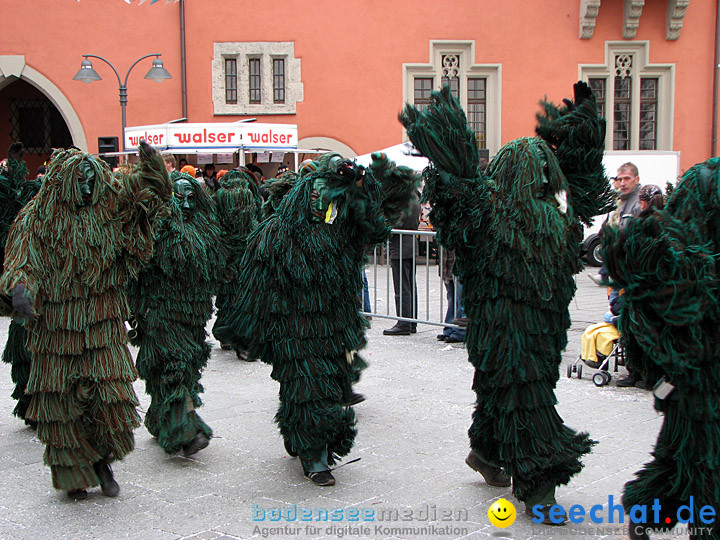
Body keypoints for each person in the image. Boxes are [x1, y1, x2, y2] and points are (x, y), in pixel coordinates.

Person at [401, 81, 612, 524]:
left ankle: (485, 451)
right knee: (526, 396)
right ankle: (539, 483)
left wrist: (581, 132)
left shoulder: (549, 211)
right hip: (509, 333)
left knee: (502, 391)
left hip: (528, 330)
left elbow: (582, 183)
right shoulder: (513, 212)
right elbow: (459, 196)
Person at [215, 152, 419, 486]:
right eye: (317, 199)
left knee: (323, 389)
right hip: (294, 331)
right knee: (304, 388)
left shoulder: (345, 232)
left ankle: (305, 440)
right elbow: (257, 286)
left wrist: (363, 189)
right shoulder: (278, 235)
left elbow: (379, 227)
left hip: (334, 327)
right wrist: (259, 329)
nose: (323, 206)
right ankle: (315, 455)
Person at [0, 141, 172, 500]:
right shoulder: (36, 218)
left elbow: (149, 195)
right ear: (61, 181)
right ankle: (73, 473)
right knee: (62, 404)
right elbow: (21, 261)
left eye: (91, 180)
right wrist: (21, 289)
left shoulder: (108, 208)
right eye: (79, 180)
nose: (86, 187)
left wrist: (153, 165)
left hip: (102, 321)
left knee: (109, 397)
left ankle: (102, 460)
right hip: (55, 328)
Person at [602, 165, 720, 540]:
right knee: (700, 455)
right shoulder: (681, 261)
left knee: (681, 449)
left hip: (689, 383)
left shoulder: (682, 257)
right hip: (696, 381)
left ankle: (647, 508)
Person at [127, 172, 226, 457]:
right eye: (178, 198)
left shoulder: (206, 227)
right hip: (160, 313)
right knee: (174, 367)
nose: (184, 205)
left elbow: (216, 266)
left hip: (194, 315)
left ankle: (160, 419)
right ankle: (188, 428)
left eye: (190, 198)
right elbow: (137, 268)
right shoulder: (157, 227)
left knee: (186, 367)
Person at [614, 183, 664, 390]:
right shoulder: (667, 224)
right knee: (651, 333)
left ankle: (636, 373)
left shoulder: (641, 225)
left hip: (638, 288)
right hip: (656, 290)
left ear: (642, 202)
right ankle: (649, 375)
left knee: (633, 332)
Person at [589, 163, 642, 284]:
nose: (623, 183)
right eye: (620, 179)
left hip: (633, 269)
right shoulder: (620, 199)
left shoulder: (640, 202)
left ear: (636, 179)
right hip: (618, 268)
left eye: (627, 178)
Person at [383, 190, 421, 336]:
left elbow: (396, 222)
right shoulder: (414, 196)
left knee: (402, 286)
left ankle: (404, 322)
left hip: (401, 246)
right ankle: (410, 322)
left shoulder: (403, 199)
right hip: (409, 244)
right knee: (410, 285)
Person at [437, 248, 465, 343]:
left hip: (459, 265)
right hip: (448, 265)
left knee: (460, 300)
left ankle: (459, 331)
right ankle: (449, 329)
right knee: (452, 299)